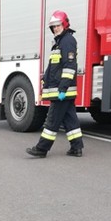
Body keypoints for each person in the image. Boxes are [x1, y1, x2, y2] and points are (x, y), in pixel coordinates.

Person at [26, 11, 84, 158]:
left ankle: (41, 149)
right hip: (61, 90)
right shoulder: (59, 42)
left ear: (64, 24)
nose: (55, 29)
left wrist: (62, 89)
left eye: (58, 25)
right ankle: (77, 148)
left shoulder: (68, 41)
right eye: (53, 26)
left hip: (62, 90)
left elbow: (69, 66)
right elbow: (54, 65)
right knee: (70, 119)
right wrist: (45, 78)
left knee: (51, 121)